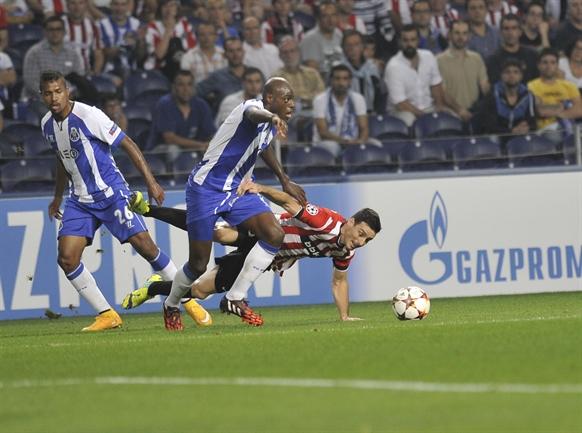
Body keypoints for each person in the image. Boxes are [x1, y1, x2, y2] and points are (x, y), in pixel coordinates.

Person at [39, 70, 206, 332]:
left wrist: (150, 181)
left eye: (58, 91)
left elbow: (127, 142)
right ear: (42, 96)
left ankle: (187, 300)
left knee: (146, 247)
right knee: (67, 258)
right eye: (48, 93)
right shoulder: (46, 124)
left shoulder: (88, 115)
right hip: (79, 200)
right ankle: (107, 314)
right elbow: (63, 159)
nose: (53, 97)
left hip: (110, 194)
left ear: (67, 91)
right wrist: (57, 197)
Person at [123, 180, 381, 323]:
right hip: (264, 231)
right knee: (218, 232)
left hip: (265, 256)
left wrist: (344, 316)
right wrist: (262, 189)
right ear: (350, 222)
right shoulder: (325, 221)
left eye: (366, 240)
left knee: (201, 290)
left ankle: (155, 287)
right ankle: (148, 210)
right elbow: (292, 203)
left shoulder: (344, 251)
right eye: (360, 234)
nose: (360, 242)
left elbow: (339, 281)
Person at [162, 77, 306, 331]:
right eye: (286, 98)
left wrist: (284, 179)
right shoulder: (249, 109)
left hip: (238, 189)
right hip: (205, 188)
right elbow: (254, 114)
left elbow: (263, 148)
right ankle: (171, 304)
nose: (292, 104)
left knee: (274, 234)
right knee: (198, 264)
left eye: (293, 99)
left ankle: (235, 297)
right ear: (269, 99)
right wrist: (271, 117)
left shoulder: (269, 125)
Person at [384, 24, 447, 126]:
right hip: (402, 111)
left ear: (418, 41)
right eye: (405, 40)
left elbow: (436, 85)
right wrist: (425, 118)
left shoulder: (429, 56)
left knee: (449, 118)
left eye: (413, 40)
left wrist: (439, 107)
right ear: (400, 42)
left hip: (428, 107)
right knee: (410, 121)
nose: (409, 44)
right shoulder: (393, 66)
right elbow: (401, 103)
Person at [147, 70, 215, 153]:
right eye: (181, 85)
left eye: (189, 84)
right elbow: (169, 139)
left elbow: (210, 134)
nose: (186, 89)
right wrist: (200, 145)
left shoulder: (201, 105)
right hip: (160, 153)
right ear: (174, 87)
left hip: (191, 149)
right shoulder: (165, 104)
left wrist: (209, 145)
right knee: (173, 149)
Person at [437, 19, 489, 121]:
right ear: (449, 35)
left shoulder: (476, 58)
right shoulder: (439, 60)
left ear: (469, 36)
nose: (461, 37)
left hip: (474, 112)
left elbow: (484, 85)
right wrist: (460, 110)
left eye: (464, 33)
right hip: (450, 114)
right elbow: (442, 92)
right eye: (457, 33)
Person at [313, 63, 370, 156]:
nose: (341, 83)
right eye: (337, 79)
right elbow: (323, 132)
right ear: (331, 80)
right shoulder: (320, 100)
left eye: (345, 79)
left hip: (353, 141)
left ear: (350, 81)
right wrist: (345, 141)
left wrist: (360, 141)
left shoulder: (358, 98)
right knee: (333, 147)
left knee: (375, 145)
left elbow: (364, 128)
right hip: (327, 142)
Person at [472, 59, 537, 134]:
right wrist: (511, 131)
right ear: (501, 75)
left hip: (519, 135)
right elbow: (488, 125)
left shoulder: (528, 96)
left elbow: (532, 123)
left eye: (516, 72)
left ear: (521, 76)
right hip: (498, 136)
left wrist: (526, 126)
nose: (511, 75)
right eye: (507, 72)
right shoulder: (492, 95)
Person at [528, 48, 582, 131]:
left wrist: (559, 114)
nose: (549, 66)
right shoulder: (531, 86)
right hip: (545, 130)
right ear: (538, 65)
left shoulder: (569, 86)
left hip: (569, 128)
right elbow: (541, 111)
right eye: (545, 62)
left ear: (557, 65)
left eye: (553, 63)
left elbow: (579, 110)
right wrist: (564, 106)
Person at [342, 30, 386, 114]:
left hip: (371, 114)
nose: (353, 49)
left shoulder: (373, 68)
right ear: (343, 48)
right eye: (348, 45)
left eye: (356, 45)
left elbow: (381, 96)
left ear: (362, 47)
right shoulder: (338, 70)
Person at [486, 14, 539, 85]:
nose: (510, 33)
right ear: (500, 32)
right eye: (506, 29)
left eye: (514, 28)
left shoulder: (532, 55)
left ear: (520, 32)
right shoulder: (493, 60)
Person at [300, 1, 344, 77]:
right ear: (318, 18)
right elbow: (312, 74)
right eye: (325, 16)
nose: (330, 20)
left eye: (333, 15)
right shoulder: (310, 39)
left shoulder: (339, 34)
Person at [180, 21, 227, 86]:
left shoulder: (225, 54)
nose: (206, 38)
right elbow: (186, 82)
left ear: (216, 37)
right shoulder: (188, 57)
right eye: (202, 34)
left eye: (210, 34)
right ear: (197, 37)